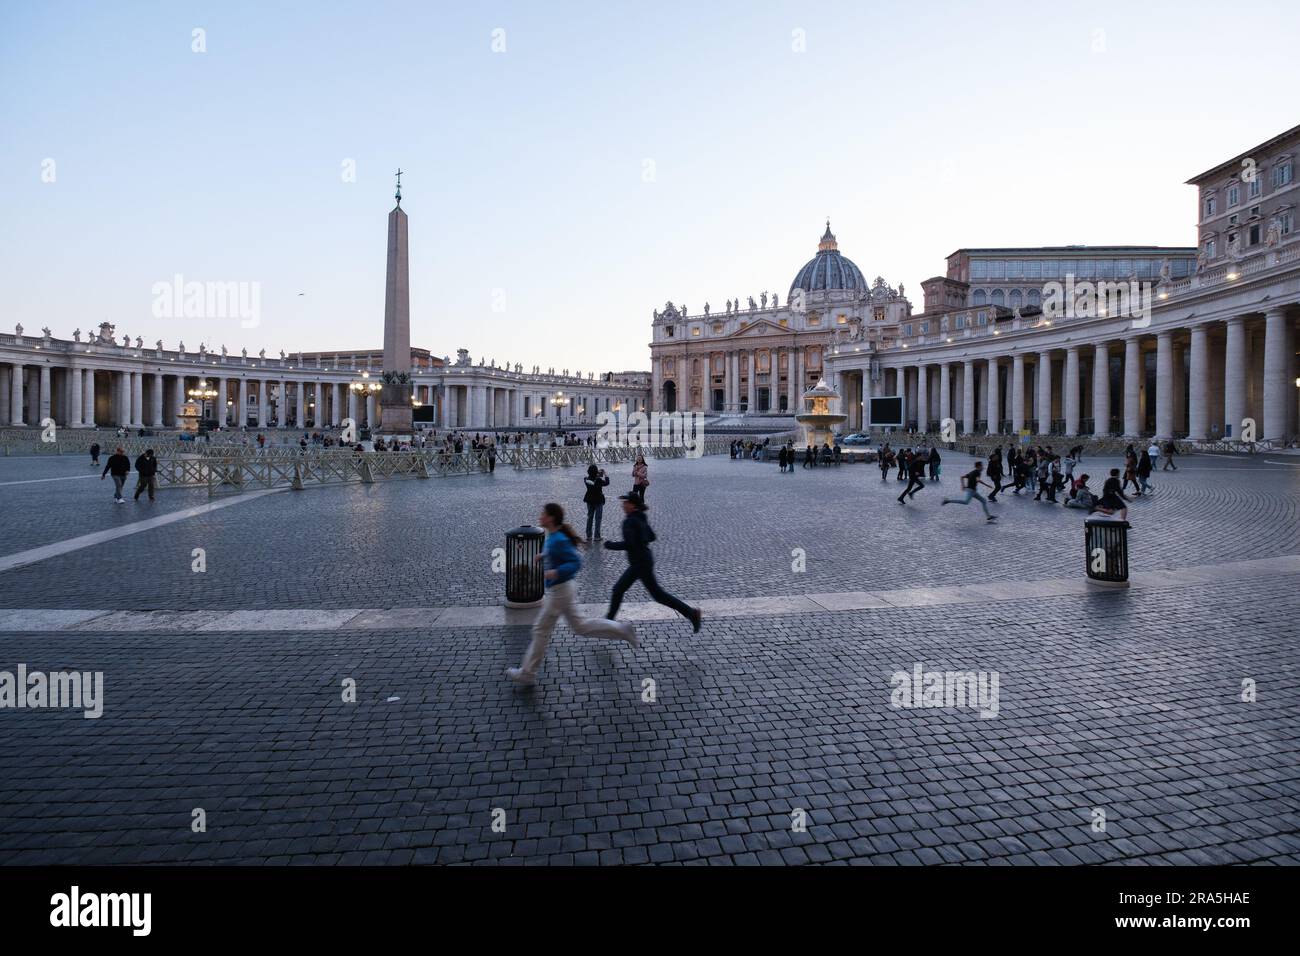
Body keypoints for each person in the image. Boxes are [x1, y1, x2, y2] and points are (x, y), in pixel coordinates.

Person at [506, 503, 637, 687]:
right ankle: (621, 629)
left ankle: (528, 673)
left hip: (560, 591)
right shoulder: (554, 536)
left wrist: (556, 572)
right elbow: (558, 553)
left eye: (543, 514)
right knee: (580, 627)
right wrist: (543, 556)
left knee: (541, 630)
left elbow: (575, 561)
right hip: (563, 590)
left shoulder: (558, 538)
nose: (540, 516)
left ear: (551, 518)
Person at [605, 492, 701, 633]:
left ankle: (608, 622)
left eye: (625, 502)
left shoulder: (630, 521)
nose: (623, 505)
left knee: (619, 590)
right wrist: (640, 539)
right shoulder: (641, 517)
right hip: (644, 560)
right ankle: (691, 613)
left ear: (632, 505)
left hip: (639, 563)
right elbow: (651, 537)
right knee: (656, 594)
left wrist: (610, 545)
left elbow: (630, 544)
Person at [583, 464, 610, 541]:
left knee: (590, 517)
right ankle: (597, 536)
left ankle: (588, 535)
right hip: (598, 500)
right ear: (596, 471)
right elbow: (607, 482)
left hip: (589, 499)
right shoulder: (598, 480)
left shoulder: (586, 479)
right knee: (598, 518)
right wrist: (605, 474)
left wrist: (595, 473)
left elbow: (587, 476)